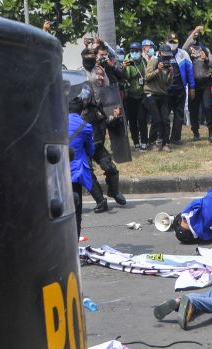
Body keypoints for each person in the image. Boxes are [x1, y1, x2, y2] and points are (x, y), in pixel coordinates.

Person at [81, 48, 127, 213]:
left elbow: (109, 95)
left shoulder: (101, 78)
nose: (90, 58)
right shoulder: (79, 82)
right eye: (87, 56)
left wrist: (113, 114)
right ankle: (100, 200)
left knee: (110, 167)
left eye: (102, 75)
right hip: (83, 133)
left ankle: (114, 191)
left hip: (98, 131)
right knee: (86, 170)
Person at [184, 25, 212, 142]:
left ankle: (211, 132)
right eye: (194, 36)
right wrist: (194, 32)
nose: (196, 38)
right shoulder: (186, 51)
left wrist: (207, 59)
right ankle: (195, 132)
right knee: (193, 109)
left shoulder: (205, 49)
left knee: (208, 107)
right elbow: (183, 47)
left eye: (197, 36)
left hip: (205, 83)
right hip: (193, 84)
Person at [68, 95, 94, 236]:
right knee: (76, 213)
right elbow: (91, 150)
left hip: (58, 173)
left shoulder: (56, 123)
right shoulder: (86, 126)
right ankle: (75, 247)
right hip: (75, 173)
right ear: (81, 111)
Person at [165, 33, 196, 146]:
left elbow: (190, 72)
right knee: (165, 115)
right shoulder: (162, 54)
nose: (173, 44)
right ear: (166, 42)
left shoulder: (183, 54)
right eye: (171, 42)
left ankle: (176, 138)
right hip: (166, 90)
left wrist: (192, 87)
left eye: (175, 42)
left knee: (179, 115)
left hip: (180, 90)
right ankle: (164, 138)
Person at [144, 44, 174, 151]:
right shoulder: (153, 61)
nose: (166, 58)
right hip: (151, 93)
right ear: (160, 53)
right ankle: (151, 141)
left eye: (168, 56)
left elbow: (168, 83)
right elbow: (147, 77)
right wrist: (158, 70)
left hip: (162, 94)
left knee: (165, 119)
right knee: (156, 119)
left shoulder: (168, 64)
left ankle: (166, 142)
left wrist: (171, 74)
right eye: (165, 56)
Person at [123, 41, 149, 150]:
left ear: (141, 51)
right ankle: (136, 141)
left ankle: (144, 141)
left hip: (142, 94)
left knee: (142, 119)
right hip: (131, 95)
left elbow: (146, 73)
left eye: (137, 51)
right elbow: (127, 76)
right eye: (132, 51)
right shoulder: (128, 61)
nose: (134, 53)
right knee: (133, 120)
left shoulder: (143, 61)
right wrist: (124, 69)